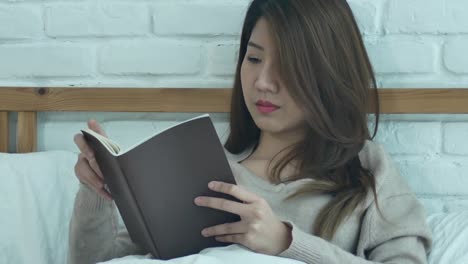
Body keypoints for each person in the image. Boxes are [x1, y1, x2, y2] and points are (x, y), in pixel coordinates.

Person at [68, 0, 432, 263]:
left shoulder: (365, 168)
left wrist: (287, 242)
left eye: (288, 66)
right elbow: (96, 260)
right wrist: (95, 190)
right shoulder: (202, 173)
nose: (262, 82)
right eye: (254, 58)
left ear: (325, 72)